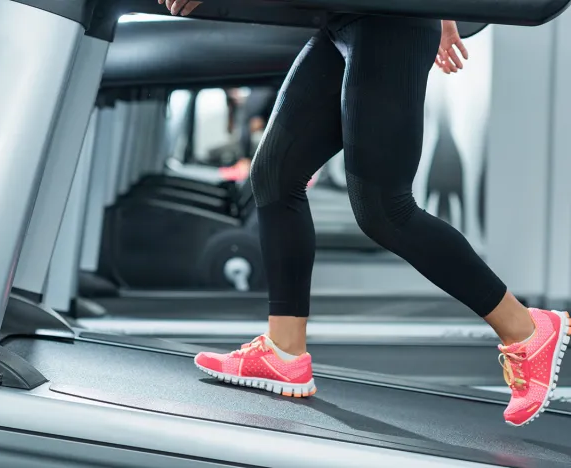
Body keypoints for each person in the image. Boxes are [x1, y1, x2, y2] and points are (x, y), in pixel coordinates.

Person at [161, 0, 571, 427]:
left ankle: (525, 329)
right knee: (274, 174)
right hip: (346, 20)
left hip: (390, 18)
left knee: (384, 210)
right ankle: (284, 352)